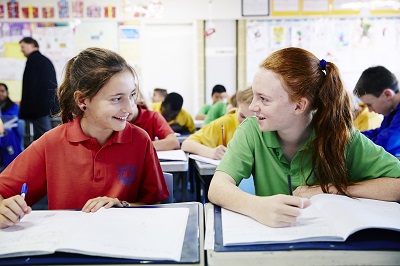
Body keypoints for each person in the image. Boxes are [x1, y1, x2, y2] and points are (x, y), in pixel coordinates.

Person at [208, 47, 400, 228]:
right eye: (254, 97)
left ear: (299, 106)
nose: (252, 107)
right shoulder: (252, 130)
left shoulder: (340, 136)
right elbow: (217, 187)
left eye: (264, 99)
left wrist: (331, 189)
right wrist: (257, 206)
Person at [0, 47, 169, 229]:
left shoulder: (140, 140)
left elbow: (156, 205)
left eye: (132, 95)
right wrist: (4, 210)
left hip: (125, 242)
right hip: (67, 248)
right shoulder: (52, 143)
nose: (129, 108)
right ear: (82, 101)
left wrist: (123, 206)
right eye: (117, 99)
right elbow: (4, 191)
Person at [182, 87, 254, 160]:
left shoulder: (265, 129)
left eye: (253, 120)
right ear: (237, 107)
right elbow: (187, 144)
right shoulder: (225, 122)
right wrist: (212, 152)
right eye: (242, 116)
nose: (246, 123)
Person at [19, 37, 59, 142]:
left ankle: (48, 157)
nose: (21, 50)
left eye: (23, 46)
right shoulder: (44, 60)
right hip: (46, 106)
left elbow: (31, 86)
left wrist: (27, 108)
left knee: (43, 136)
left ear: (32, 45)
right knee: (43, 135)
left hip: (38, 108)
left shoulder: (33, 61)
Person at [353, 66, 400, 157]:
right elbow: (380, 132)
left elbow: (385, 145)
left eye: (369, 105)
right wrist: (352, 137)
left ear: (387, 94)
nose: (369, 110)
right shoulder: (392, 111)